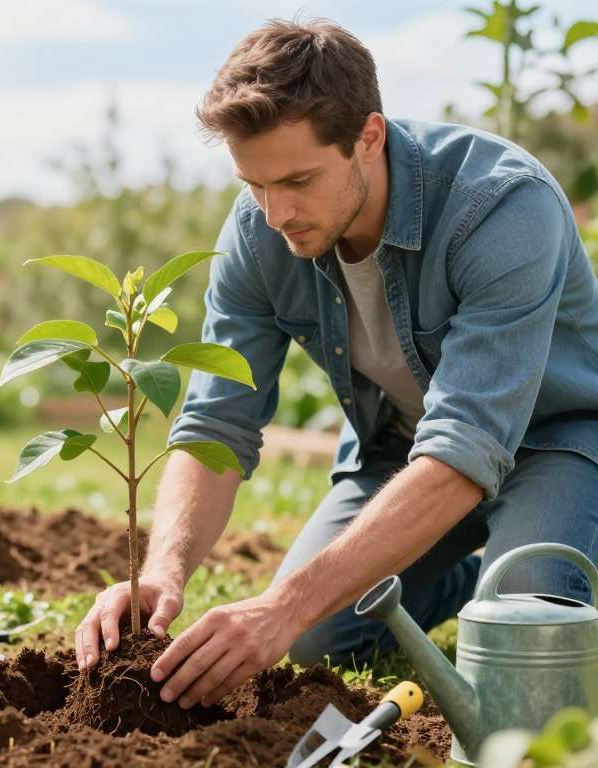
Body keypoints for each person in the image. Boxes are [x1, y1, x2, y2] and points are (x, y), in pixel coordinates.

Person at [74, 17, 598, 711]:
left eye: (297, 180)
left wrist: (282, 603)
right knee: (314, 640)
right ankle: (471, 583)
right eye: (254, 185)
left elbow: (467, 446)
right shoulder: (258, 232)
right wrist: (162, 571)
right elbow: (216, 422)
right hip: (401, 450)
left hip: (551, 442)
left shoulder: (500, 206)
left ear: (369, 138)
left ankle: (537, 565)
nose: (274, 213)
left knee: (529, 634)